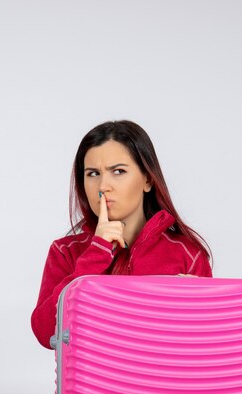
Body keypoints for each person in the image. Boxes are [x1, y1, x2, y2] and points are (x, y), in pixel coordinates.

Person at [31, 120, 213, 349]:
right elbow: (45, 333)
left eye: (118, 171)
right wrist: (95, 255)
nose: (103, 186)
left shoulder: (187, 254)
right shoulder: (66, 251)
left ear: (147, 179)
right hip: (90, 383)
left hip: (163, 383)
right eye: (93, 173)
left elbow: (203, 346)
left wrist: (191, 307)